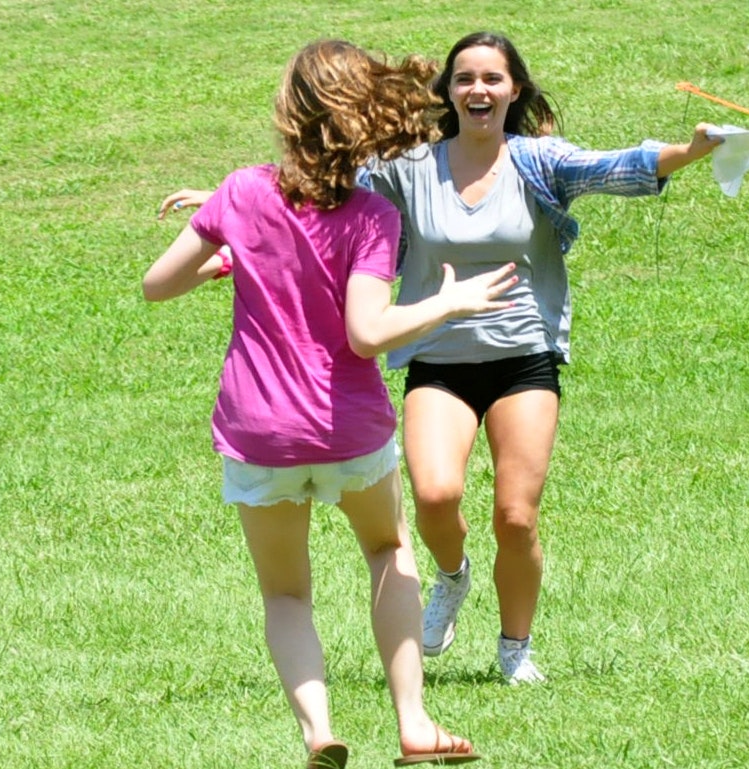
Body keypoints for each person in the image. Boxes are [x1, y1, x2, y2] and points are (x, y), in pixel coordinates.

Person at [144, 39, 513, 768]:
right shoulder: (372, 215)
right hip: (347, 429)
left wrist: (228, 248)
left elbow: (158, 283)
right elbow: (368, 332)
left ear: (291, 114)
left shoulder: (241, 191)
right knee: (388, 549)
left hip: (260, 433)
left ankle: (319, 730)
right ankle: (413, 723)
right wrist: (448, 302)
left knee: (286, 593)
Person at [357, 31, 724, 685]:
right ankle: (452, 575)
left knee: (516, 515)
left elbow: (617, 166)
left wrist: (691, 152)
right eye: (464, 78)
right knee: (435, 494)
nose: (478, 90)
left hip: (524, 356)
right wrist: (230, 215)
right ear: (447, 91)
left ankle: (514, 649)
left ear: (514, 90)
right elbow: (322, 201)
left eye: (492, 79)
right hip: (439, 359)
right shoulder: (408, 167)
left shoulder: (537, 162)